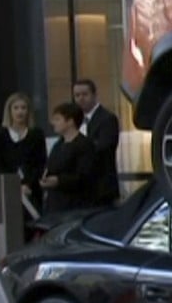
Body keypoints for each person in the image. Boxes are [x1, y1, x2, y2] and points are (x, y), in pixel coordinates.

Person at [0, 91, 47, 219]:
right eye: (16, 108)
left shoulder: (36, 134)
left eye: (23, 108)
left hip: (31, 190)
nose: (20, 112)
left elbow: (40, 162)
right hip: (8, 190)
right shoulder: (1, 135)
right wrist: (14, 186)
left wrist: (27, 184)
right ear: (9, 111)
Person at [40, 102, 95, 214]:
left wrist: (59, 181)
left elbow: (85, 176)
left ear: (70, 121)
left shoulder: (84, 144)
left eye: (57, 119)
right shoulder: (58, 145)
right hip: (55, 204)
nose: (53, 123)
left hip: (75, 205)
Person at [72, 78, 120, 206]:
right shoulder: (74, 120)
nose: (81, 99)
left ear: (94, 95)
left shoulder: (107, 118)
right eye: (77, 95)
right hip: (80, 189)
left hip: (101, 187)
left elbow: (104, 148)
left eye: (85, 94)